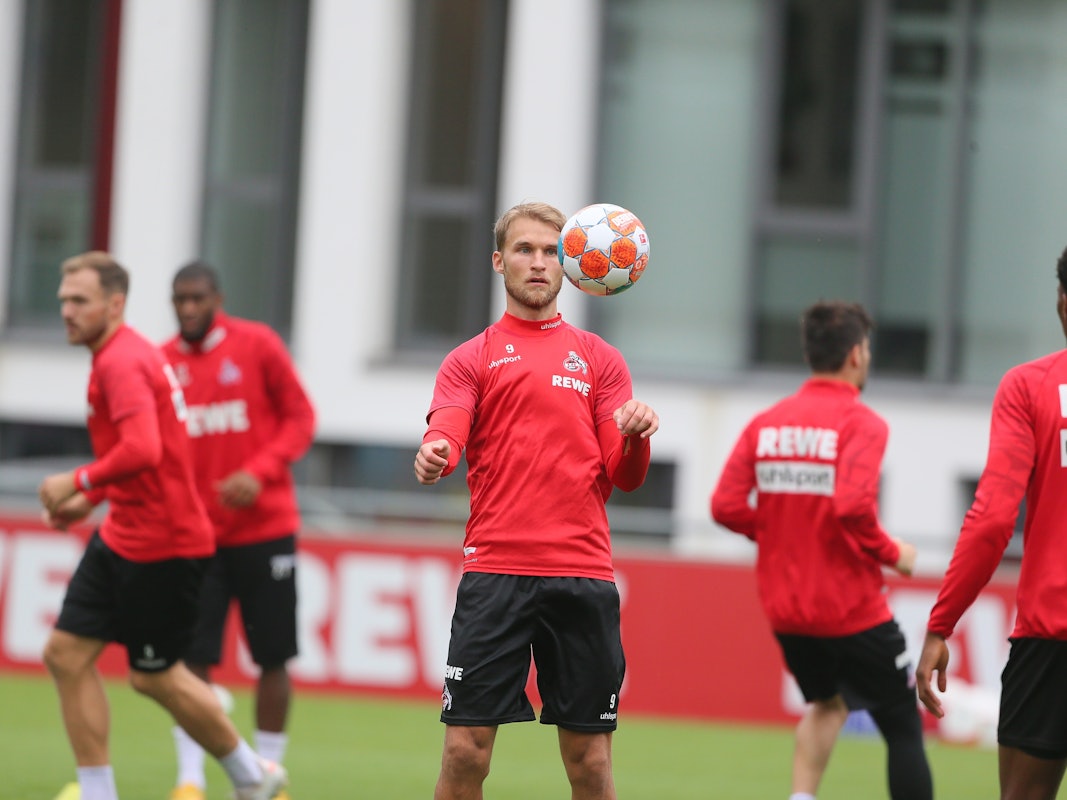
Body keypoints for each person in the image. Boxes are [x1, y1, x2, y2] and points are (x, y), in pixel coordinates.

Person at [413, 201, 659, 800]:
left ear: (572, 263)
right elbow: (446, 430)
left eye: (552, 251)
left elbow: (624, 477)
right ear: (500, 261)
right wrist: (434, 451)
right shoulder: (470, 358)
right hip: (495, 573)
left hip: (581, 576)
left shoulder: (600, 361)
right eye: (525, 250)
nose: (539, 262)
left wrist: (633, 438)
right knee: (465, 753)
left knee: (591, 763)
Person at [38, 251, 287, 800]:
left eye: (79, 301)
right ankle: (98, 792)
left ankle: (252, 775)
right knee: (65, 653)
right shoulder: (124, 355)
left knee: (155, 676)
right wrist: (96, 496)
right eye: (63, 301)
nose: (67, 312)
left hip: (163, 545)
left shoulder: (121, 362)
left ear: (115, 303)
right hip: (124, 533)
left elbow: (145, 448)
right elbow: (154, 450)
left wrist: (77, 482)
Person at [710, 300, 932, 800]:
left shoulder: (767, 423)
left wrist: (777, 530)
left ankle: (801, 797)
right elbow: (852, 505)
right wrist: (890, 550)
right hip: (851, 609)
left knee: (828, 704)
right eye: (868, 350)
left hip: (787, 611)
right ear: (856, 354)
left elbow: (724, 506)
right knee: (901, 723)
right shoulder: (863, 423)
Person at [160, 261, 315, 800]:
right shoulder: (161, 365)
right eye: (179, 299)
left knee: (273, 657)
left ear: (217, 298)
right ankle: (190, 779)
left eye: (197, 298)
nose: (188, 308)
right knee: (190, 661)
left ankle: (269, 773)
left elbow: (301, 418)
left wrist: (259, 472)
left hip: (266, 530)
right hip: (195, 538)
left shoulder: (258, 346)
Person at [916, 248, 1067, 800]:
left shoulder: (1030, 387)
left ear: (1062, 304)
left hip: (1051, 637)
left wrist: (942, 623)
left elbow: (993, 520)